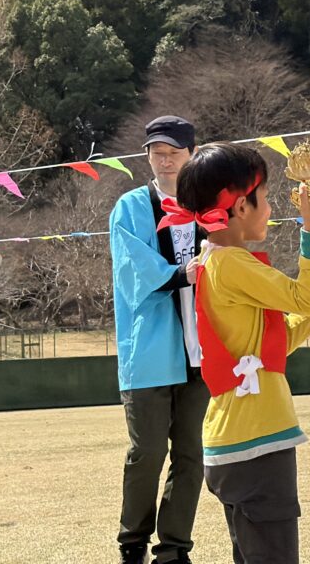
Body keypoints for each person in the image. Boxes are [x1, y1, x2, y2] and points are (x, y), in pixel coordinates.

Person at [163, 142, 310, 564]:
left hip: (238, 444)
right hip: (256, 446)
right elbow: (302, 298)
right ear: (241, 206)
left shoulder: (216, 262)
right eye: (264, 198)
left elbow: (276, 342)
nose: (270, 209)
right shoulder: (231, 263)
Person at [109, 116, 209, 564]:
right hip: (149, 351)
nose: (164, 160)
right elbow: (133, 267)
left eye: (173, 152)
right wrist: (183, 273)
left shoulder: (210, 205)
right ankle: (132, 542)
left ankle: (174, 548)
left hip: (203, 351)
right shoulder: (131, 206)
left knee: (191, 455)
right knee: (147, 452)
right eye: (156, 152)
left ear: (192, 154)